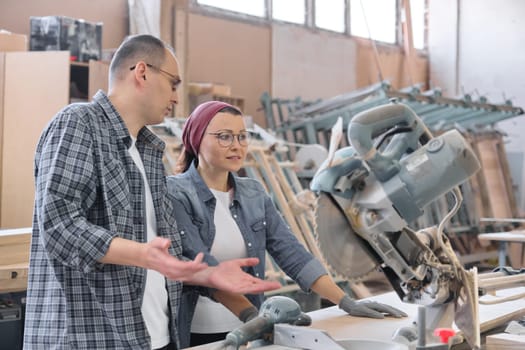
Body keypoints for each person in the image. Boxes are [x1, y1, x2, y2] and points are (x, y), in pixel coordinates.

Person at [23, 34, 280, 350]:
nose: (176, 97)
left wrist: (207, 275)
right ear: (142, 72)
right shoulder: (78, 124)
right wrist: (142, 254)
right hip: (92, 338)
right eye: (173, 83)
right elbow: (60, 225)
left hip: (153, 337)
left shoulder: (148, 152)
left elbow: (169, 255)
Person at [167, 101, 408, 348]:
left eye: (242, 137)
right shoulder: (176, 194)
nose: (236, 146)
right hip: (197, 331)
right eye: (224, 137)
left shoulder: (253, 193)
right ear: (197, 139)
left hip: (249, 328)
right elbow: (204, 269)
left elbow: (291, 253)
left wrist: (346, 302)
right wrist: (254, 317)